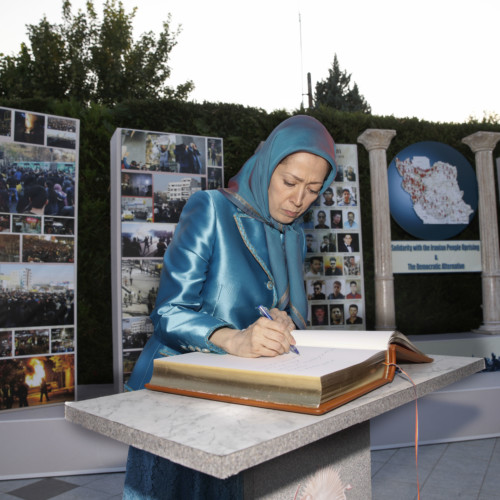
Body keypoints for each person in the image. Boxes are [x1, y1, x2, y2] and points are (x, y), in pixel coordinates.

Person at [123, 115, 337, 499]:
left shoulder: (294, 235)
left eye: (313, 190)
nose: (298, 200)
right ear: (267, 165)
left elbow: (289, 312)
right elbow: (168, 312)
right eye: (289, 183)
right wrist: (234, 340)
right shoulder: (211, 208)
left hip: (243, 402)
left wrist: (285, 321)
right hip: (179, 397)